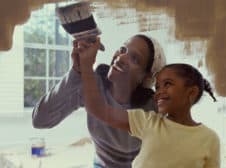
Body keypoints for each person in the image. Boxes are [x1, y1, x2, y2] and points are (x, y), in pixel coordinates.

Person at [77, 38, 220, 168]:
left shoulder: (209, 139)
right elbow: (98, 109)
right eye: (157, 87)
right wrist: (86, 66)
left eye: (167, 84)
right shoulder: (147, 121)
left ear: (191, 93)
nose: (158, 92)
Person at [32, 34, 166, 168]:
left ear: (146, 76)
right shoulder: (95, 84)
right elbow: (40, 120)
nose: (121, 57)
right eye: (122, 49)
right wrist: (76, 72)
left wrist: (86, 70)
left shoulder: (151, 108)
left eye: (134, 58)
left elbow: (117, 129)